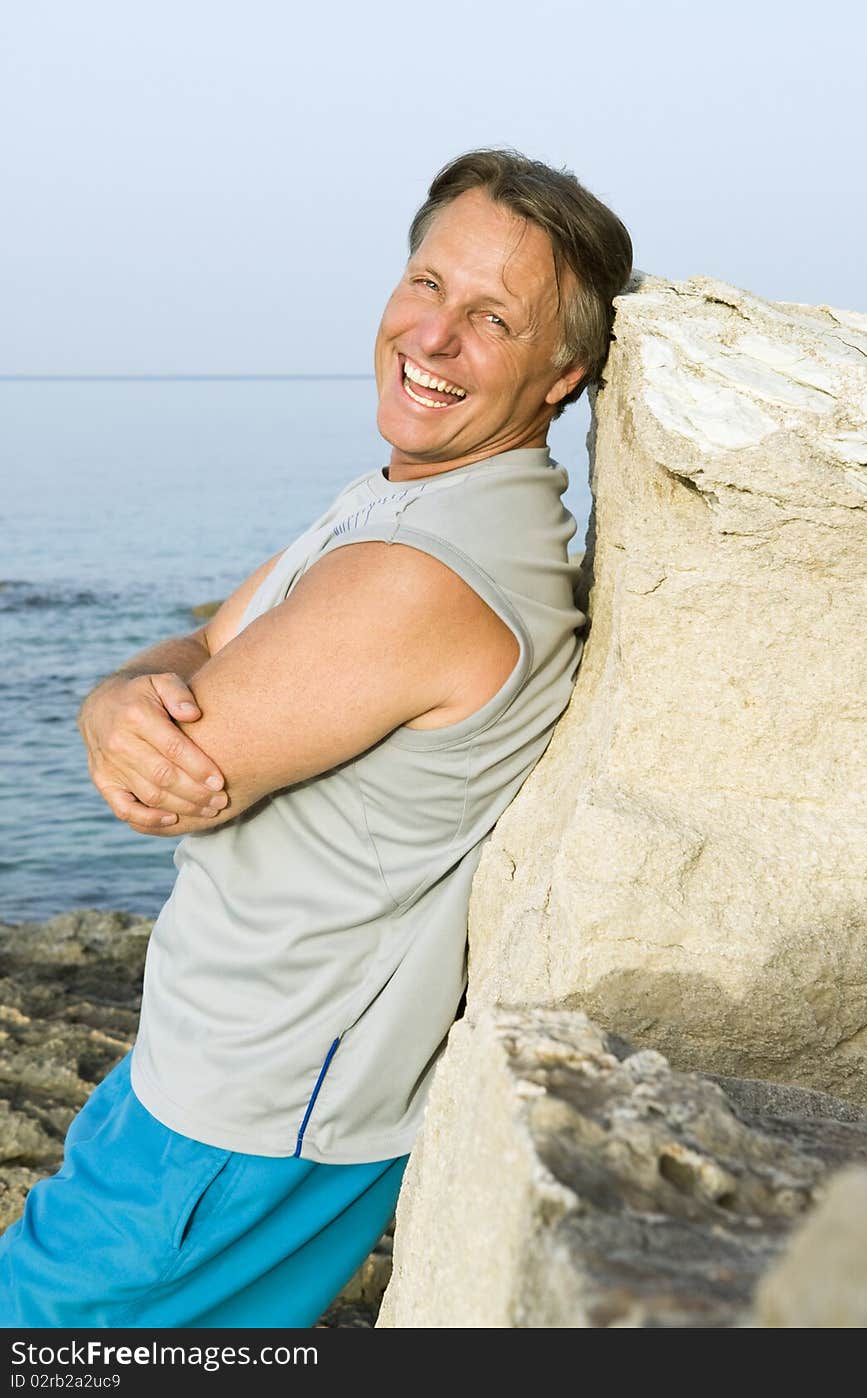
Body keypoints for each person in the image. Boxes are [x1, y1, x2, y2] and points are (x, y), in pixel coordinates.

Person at [0, 148, 633, 1328]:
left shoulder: (414, 575)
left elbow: (171, 778)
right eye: (426, 282)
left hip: (251, 1112)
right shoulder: (399, 499)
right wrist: (115, 694)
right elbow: (200, 641)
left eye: (491, 318)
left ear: (562, 376)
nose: (432, 335)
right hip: (210, 1065)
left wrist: (132, 704)